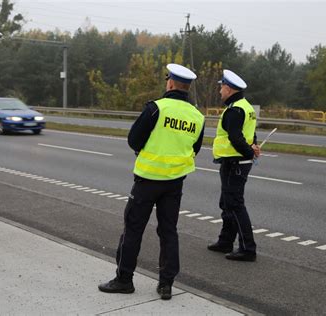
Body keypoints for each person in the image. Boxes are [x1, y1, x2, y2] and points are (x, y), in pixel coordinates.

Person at [98, 63, 205, 300]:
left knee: (133, 229)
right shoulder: (197, 116)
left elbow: (134, 140)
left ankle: (124, 279)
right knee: (169, 232)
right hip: (175, 182)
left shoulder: (156, 109)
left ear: (169, 83)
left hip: (147, 181)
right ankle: (166, 284)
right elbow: (194, 148)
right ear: (186, 88)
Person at [207, 69, 261, 262]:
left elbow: (235, 137)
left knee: (235, 204)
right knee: (227, 203)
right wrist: (252, 147)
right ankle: (225, 242)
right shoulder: (246, 107)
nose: (220, 91)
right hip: (235, 162)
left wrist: (248, 152)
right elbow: (249, 134)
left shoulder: (234, 110)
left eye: (221, 87)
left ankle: (247, 248)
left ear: (228, 89)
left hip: (235, 162)